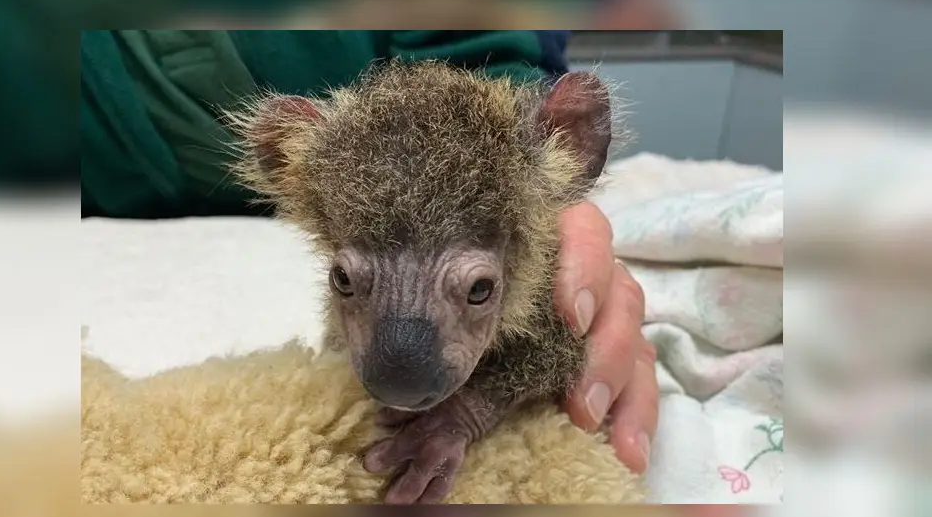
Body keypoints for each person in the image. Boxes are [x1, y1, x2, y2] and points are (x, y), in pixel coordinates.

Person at [79, 29, 659, 474]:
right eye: (345, 281)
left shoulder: (539, 254)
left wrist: (467, 413)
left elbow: (556, 353)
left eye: (478, 288)